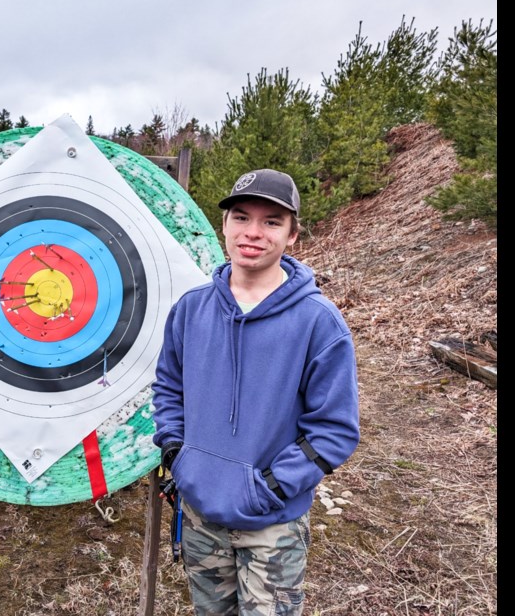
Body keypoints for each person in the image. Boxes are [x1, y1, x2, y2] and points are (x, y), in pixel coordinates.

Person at [151, 168, 360, 615]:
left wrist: (268, 487)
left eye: (271, 222)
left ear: (293, 234)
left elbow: (334, 431)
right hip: (200, 516)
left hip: (272, 525)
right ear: (222, 224)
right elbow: (169, 387)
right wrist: (177, 455)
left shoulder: (319, 323)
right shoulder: (190, 309)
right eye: (241, 217)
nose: (253, 233)